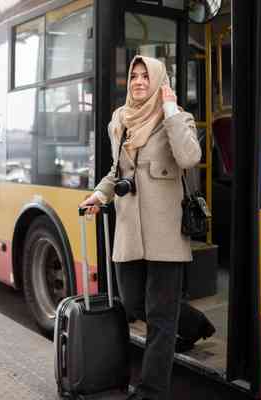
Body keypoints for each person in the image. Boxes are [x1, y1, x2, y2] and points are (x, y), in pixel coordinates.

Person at [79, 55, 202, 400]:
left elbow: (190, 158)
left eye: (146, 77)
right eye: (134, 76)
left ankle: (151, 391)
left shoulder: (178, 119)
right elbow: (115, 172)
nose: (138, 82)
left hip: (166, 234)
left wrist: (171, 110)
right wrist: (99, 195)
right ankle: (194, 323)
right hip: (129, 231)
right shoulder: (120, 120)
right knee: (133, 303)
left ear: (160, 81)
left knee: (161, 320)